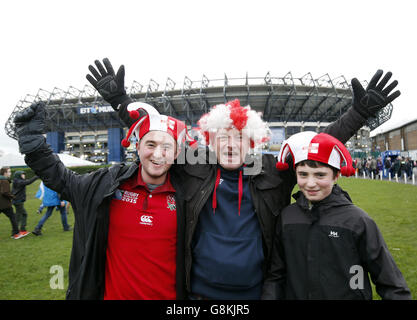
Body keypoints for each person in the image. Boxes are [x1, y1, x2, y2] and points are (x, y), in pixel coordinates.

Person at [85, 58, 401, 299]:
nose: (231, 144)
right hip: (198, 293)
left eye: (239, 138)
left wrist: (357, 115)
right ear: (211, 141)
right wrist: (119, 102)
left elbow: (315, 147)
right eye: (224, 138)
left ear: (252, 142)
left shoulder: (271, 173)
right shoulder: (195, 168)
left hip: (254, 291)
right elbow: (156, 133)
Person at [14, 90, 196, 298]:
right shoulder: (107, 184)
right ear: (137, 147)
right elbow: (63, 180)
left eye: (166, 147)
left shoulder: (190, 195)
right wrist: (35, 147)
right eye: (150, 144)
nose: (157, 154)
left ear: (177, 153)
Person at [263, 131, 411, 299]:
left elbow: (391, 283)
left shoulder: (358, 221)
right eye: (303, 174)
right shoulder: (287, 217)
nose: (311, 183)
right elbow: (276, 276)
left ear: (336, 175)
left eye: (320, 175)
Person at [11, 170, 38, 236]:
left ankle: (19, 230)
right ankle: (18, 231)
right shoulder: (18, 182)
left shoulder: (17, 181)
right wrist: (37, 176)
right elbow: (28, 182)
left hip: (17, 201)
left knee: (19, 215)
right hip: (18, 201)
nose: (24, 175)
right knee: (22, 215)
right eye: (22, 174)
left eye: (24, 174)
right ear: (18, 175)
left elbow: (26, 181)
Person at [1, 167, 25, 239]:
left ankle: (15, 233)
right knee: (13, 217)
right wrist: (13, 197)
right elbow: (5, 192)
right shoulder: (5, 181)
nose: (10, 173)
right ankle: (16, 234)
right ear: (5, 173)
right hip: (5, 204)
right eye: (9, 172)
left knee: (13, 217)